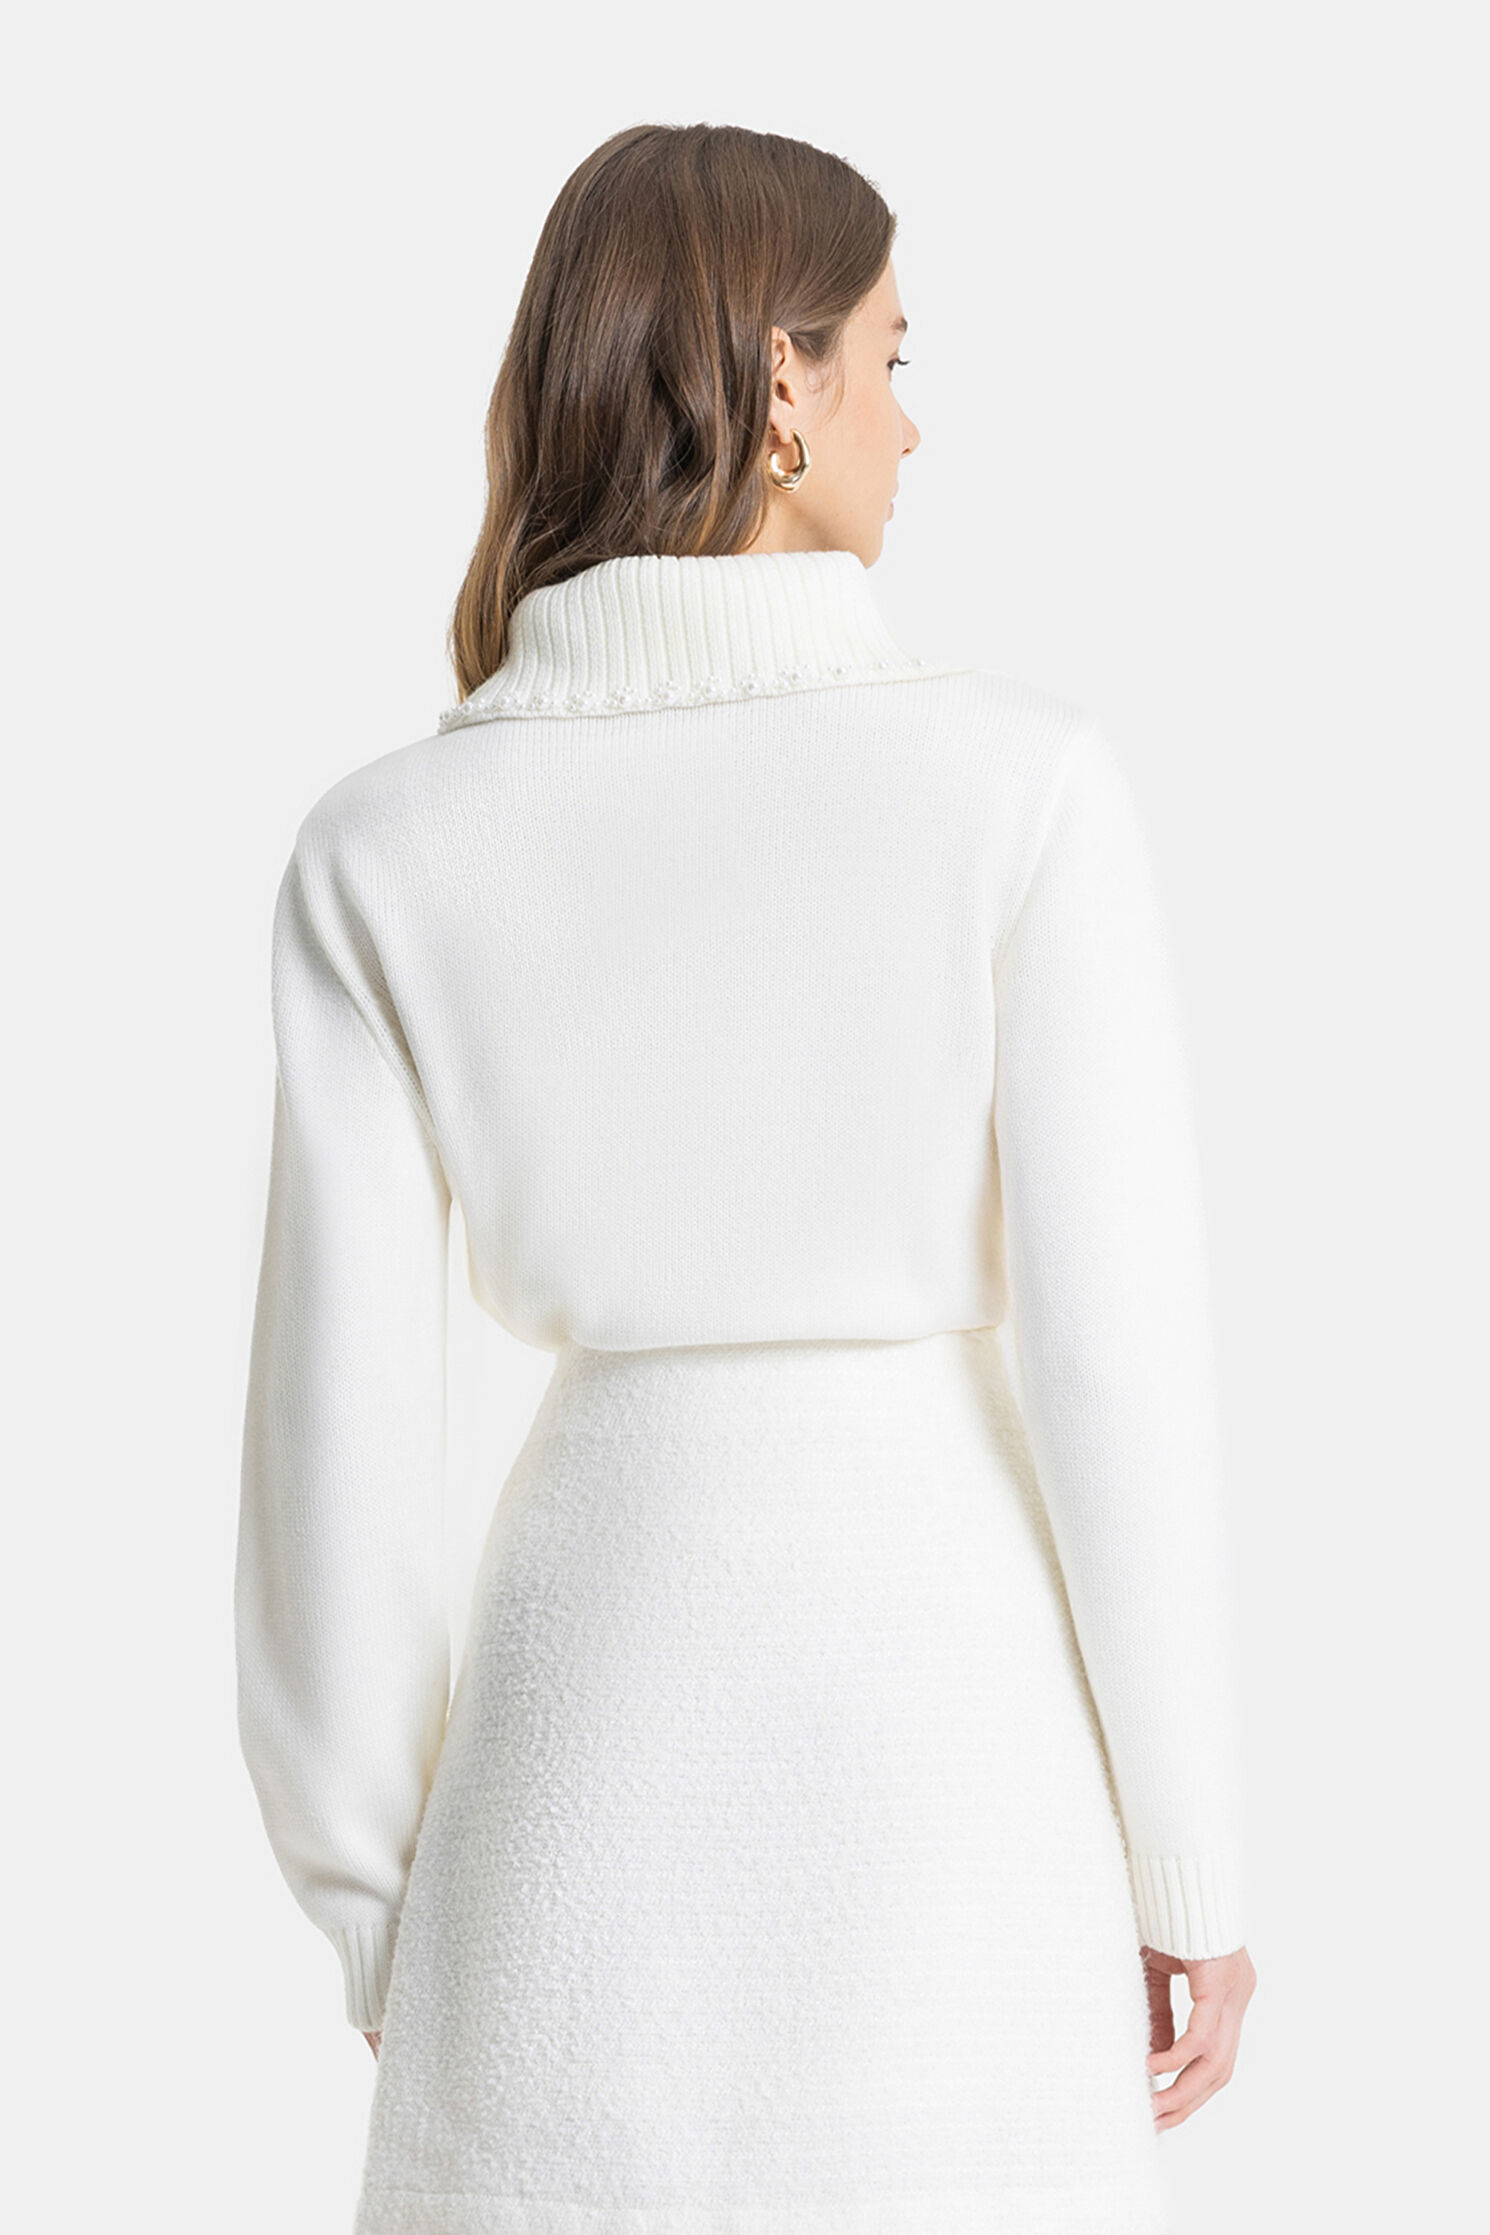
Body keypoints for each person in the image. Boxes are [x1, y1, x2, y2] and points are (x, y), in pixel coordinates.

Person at [235, 119, 1256, 2235]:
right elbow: (1117, 1368)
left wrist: (375, 1908)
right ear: (782, 385)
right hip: (957, 1748)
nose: (912, 419)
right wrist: (1187, 1865)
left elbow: (331, 1437)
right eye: (892, 355)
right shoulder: (1023, 791)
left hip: (570, 1766)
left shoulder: (383, 848)